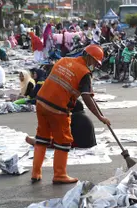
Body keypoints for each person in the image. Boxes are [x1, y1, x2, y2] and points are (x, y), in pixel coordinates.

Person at [30, 44, 110, 184]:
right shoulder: (85, 73)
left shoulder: (64, 60)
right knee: (64, 141)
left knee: (42, 137)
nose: (95, 67)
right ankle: (60, 175)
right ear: (89, 58)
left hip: (41, 102)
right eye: (95, 63)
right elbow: (86, 97)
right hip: (57, 108)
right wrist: (100, 117)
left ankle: (36, 173)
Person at [25, 99, 97, 149]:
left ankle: (38, 142)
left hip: (81, 144)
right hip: (88, 143)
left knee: (59, 141)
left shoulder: (74, 117)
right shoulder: (81, 115)